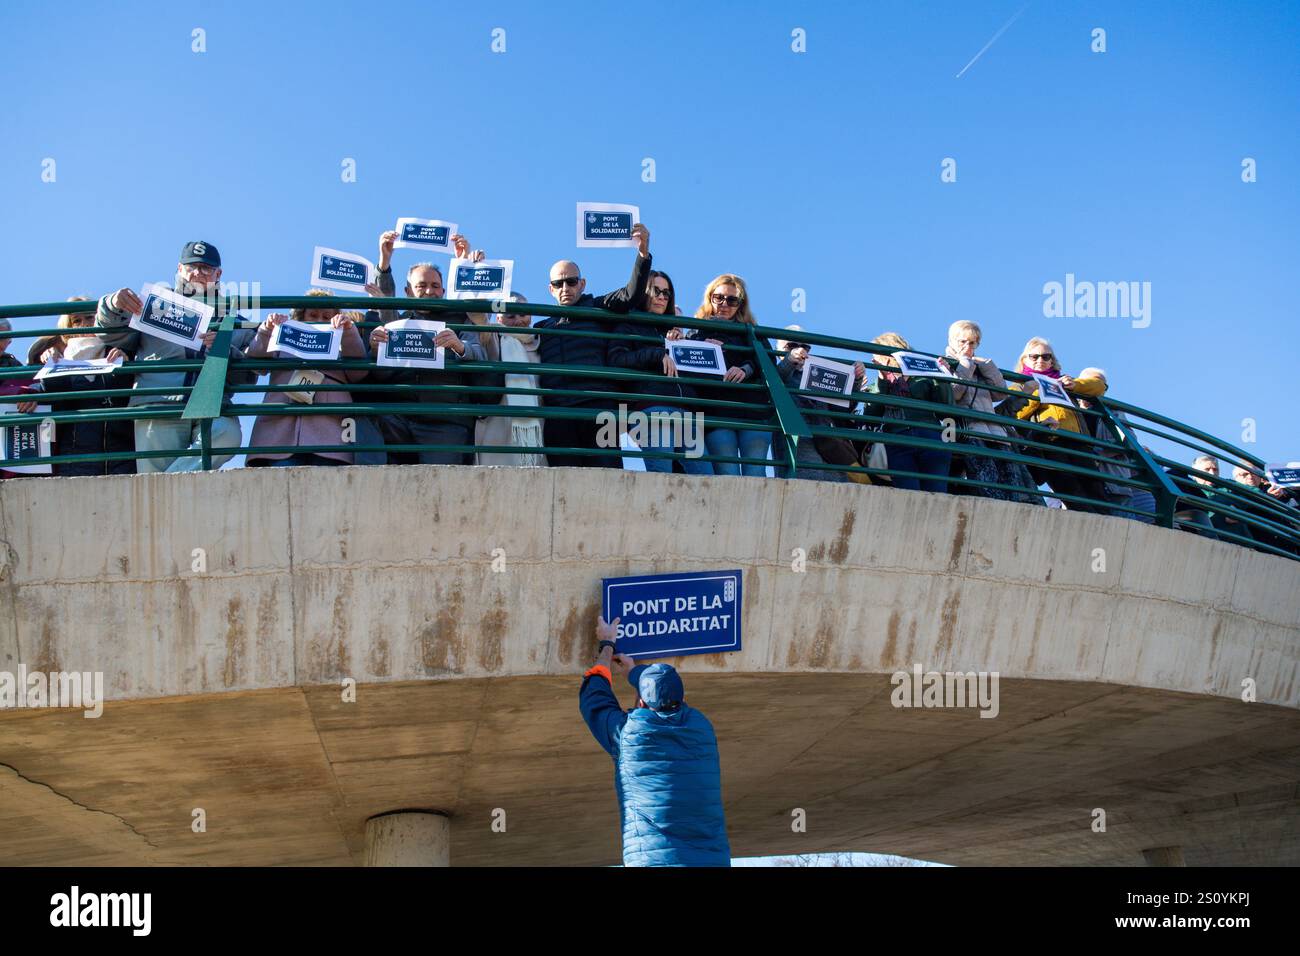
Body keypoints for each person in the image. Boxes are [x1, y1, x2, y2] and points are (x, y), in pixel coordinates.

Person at [579, 616, 731, 867]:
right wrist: (635, 673)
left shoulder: (628, 734)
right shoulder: (701, 728)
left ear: (640, 703)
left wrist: (607, 645)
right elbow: (662, 697)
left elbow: (593, 696)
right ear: (684, 699)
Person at [96, 241, 256, 473]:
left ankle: (168, 483)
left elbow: (247, 376)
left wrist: (224, 350)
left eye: (205, 267)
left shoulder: (237, 319)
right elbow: (114, 337)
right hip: (158, 401)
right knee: (153, 471)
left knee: (227, 436)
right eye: (191, 267)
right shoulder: (152, 305)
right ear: (179, 270)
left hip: (213, 405)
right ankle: (169, 486)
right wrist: (111, 305)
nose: (197, 273)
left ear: (218, 274)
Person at [535, 224, 653, 467]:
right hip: (558, 412)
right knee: (563, 484)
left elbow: (630, 295)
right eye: (558, 284)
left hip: (598, 407)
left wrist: (642, 255)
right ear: (550, 289)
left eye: (571, 281)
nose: (565, 288)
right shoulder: (541, 326)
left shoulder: (599, 308)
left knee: (607, 480)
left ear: (582, 284)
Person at [365, 232, 488, 465]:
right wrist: (375, 350)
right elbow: (385, 305)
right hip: (398, 420)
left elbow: (480, 353)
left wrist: (460, 347)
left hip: (446, 422)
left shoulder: (460, 320)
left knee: (442, 490)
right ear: (408, 292)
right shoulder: (397, 323)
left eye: (435, 286)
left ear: (443, 291)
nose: (429, 291)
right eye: (421, 286)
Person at [244, 291, 368, 467]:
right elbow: (256, 365)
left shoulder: (343, 349)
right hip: (279, 438)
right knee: (283, 491)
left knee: (329, 492)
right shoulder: (283, 339)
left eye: (326, 317)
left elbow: (358, 374)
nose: (319, 320)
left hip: (331, 439)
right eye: (313, 315)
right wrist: (267, 329)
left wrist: (348, 332)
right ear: (301, 316)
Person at [607, 269, 711, 475]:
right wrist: (656, 353)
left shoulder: (676, 331)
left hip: (686, 415)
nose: (662, 297)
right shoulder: (628, 324)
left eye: (667, 293)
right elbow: (616, 360)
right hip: (651, 410)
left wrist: (704, 348)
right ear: (644, 292)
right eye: (657, 291)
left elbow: (697, 377)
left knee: (708, 480)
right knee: (662, 479)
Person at [19, 299, 137, 476]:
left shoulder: (117, 353)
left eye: (89, 318)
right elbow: (56, 402)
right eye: (76, 321)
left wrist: (126, 367)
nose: (84, 324)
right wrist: (42, 381)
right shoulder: (58, 360)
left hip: (120, 460)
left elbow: (127, 398)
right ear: (67, 330)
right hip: (74, 464)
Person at [943, 321, 1040, 504]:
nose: (967, 346)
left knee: (1011, 479)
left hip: (996, 432)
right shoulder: (946, 364)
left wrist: (988, 366)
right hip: (970, 430)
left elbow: (999, 394)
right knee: (986, 479)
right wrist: (964, 364)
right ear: (952, 340)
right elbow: (954, 393)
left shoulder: (980, 366)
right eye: (962, 341)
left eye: (972, 343)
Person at [1010, 337, 1109, 512]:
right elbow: (1013, 413)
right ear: (1024, 359)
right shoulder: (1019, 385)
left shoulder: (1062, 380)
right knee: (1069, 488)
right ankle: (1088, 525)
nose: (1040, 360)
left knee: (1095, 487)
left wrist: (1074, 384)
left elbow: (1099, 386)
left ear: (1052, 361)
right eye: (1034, 356)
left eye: (1046, 356)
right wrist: (1035, 392)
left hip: (1078, 441)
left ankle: (1106, 526)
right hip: (1049, 442)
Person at [690, 274, 773, 477]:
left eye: (732, 300)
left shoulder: (752, 331)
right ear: (710, 298)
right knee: (728, 474)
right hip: (717, 413)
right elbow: (686, 364)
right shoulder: (696, 330)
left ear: (740, 304)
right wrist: (702, 348)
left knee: (755, 476)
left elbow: (769, 361)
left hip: (753, 413)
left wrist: (745, 368)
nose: (724, 304)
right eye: (718, 297)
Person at [857, 333, 954, 493]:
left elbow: (945, 406)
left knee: (937, 495)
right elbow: (871, 416)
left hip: (931, 438)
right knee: (908, 495)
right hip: (897, 441)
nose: (873, 361)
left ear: (888, 354)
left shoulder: (923, 372)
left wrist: (942, 376)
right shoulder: (880, 383)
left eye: (876, 356)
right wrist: (882, 380)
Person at [775, 338, 869, 483]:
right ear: (779, 351)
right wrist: (789, 361)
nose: (800, 349)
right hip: (798, 441)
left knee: (837, 491)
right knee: (807, 486)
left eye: (805, 346)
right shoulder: (775, 371)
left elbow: (842, 407)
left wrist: (856, 380)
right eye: (791, 346)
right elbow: (774, 381)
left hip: (828, 444)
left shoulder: (819, 372)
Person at [471, 292, 545, 466]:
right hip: (496, 428)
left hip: (535, 428)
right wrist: (478, 271)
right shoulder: (492, 337)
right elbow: (476, 313)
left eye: (523, 314)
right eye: (510, 316)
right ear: (499, 318)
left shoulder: (541, 341)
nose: (518, 321)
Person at [1074, 368, 1155, 522]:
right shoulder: (1071, 409)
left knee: (1121, 531)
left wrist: (1099, 455)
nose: (1095, 385)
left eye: (1101, 383)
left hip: (1113, 486)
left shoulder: (1112, 411)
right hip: (1081, 483)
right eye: (1091, 381)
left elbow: (1129, 440)